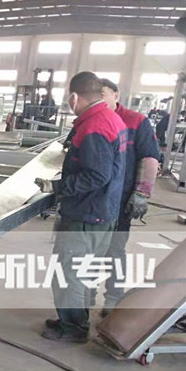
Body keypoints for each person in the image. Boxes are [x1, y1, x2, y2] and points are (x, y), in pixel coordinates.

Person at [35, 71, 127, 343]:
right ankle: (76, 319)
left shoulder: (94, 126)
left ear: (74, 97)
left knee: (69, 272)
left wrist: (57, 187)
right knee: (85, 271)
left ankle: (73, 328)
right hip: (103, 212)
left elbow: (97, 175)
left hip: (86, 214)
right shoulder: (111, 118)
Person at [99, 78, 160, 315]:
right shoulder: (92, 119)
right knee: (87, 252)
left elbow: (150, 158)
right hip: (94, 200)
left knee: (115, 250)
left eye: (103, 94)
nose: (99, 99)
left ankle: (113, 299)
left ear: (116, 95)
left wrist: (142, 193)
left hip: (120, 199)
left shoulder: (136, 121)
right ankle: (83, 300)